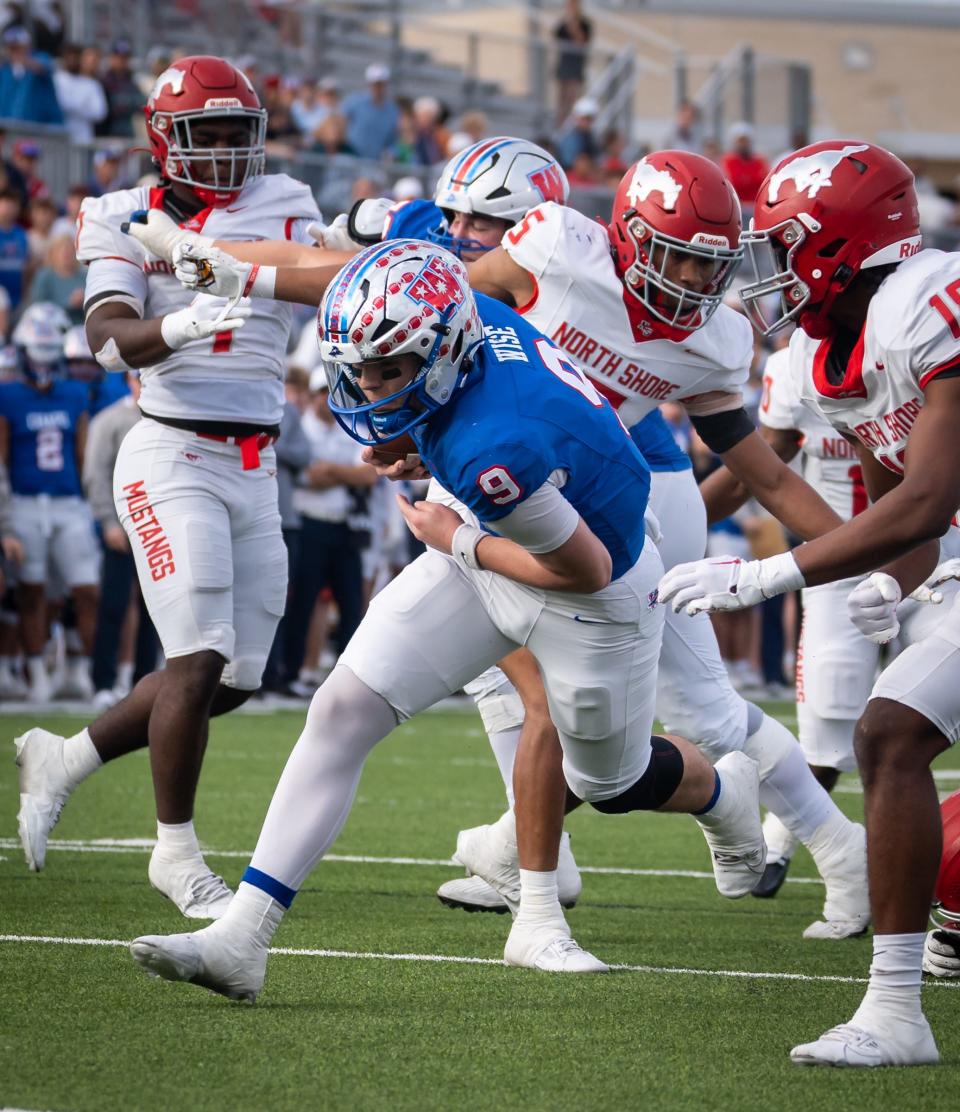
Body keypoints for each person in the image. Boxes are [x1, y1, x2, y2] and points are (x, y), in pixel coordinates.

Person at [135, 145, 869, 940]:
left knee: (697, 708)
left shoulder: (712, 339)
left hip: (615, 498)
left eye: (706, 268)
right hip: (508, 480)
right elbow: (374, 293)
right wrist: (231, 270)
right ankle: (512, 866)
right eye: (675, 260)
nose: (691, 285)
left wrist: (870, 554)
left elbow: (759, 470)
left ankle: (825, 847)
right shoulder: (550, 251)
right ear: (623, 238)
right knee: (438, 691)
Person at [657, 140, 960, 1067]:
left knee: (889, 739)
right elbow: (899, 516)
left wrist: (765, 575)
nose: (766, 272)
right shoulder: (831, 356)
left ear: (840, 244)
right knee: (892, 737)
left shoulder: (925, 303)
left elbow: (932, 496)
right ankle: (899, 1009)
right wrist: (882, 579)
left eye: (784, 246)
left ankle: (898, 1008)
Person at [13, 55, 322, 923]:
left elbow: (322, 274)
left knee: (237, 678)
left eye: (237, 135)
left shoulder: (287, 200)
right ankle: (175, 854)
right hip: (171, 453)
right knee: (195, 656)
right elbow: (107, 338)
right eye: (207, 135)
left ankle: (65, 758)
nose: (225, 152)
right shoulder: (121, 216)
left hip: (257, 464)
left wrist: (355, 239)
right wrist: (179, 324)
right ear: (165, 140)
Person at [700, 344, 960, 896]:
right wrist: (674, 515)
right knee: (830, 714)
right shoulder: (792, 364)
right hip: (835, 561)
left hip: (941, 552)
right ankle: (800, 852)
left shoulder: (917, 343)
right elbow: (760, 471)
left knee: (907, 720)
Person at [0, 302, 99, 702]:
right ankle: (38, 672)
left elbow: (82, 454)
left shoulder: (75, 393)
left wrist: (90, 503)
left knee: (86, 589)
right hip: (24, 503)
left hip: (68, 502)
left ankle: (79, 668)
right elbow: (2, 460)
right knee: (32, 590)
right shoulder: (8, 396)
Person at [342, 63, 399, 161]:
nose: (377, 88)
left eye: (380, 84)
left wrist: (391, 153)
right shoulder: (354, 102)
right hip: (350, 158)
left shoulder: (392, 110)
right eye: (375, 84)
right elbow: (342, 123)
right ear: (369, 84)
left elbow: (392, 140)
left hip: (374, 162)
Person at [553, 0, 592, 125]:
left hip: (576, 67)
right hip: (564, 65)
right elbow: (556, 38)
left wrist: (574, 25)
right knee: (562, 99)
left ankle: (573, 123)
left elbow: (581, 41)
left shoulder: (584, 24)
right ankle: (560, 124)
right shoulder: (562, 24)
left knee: (574, 97)